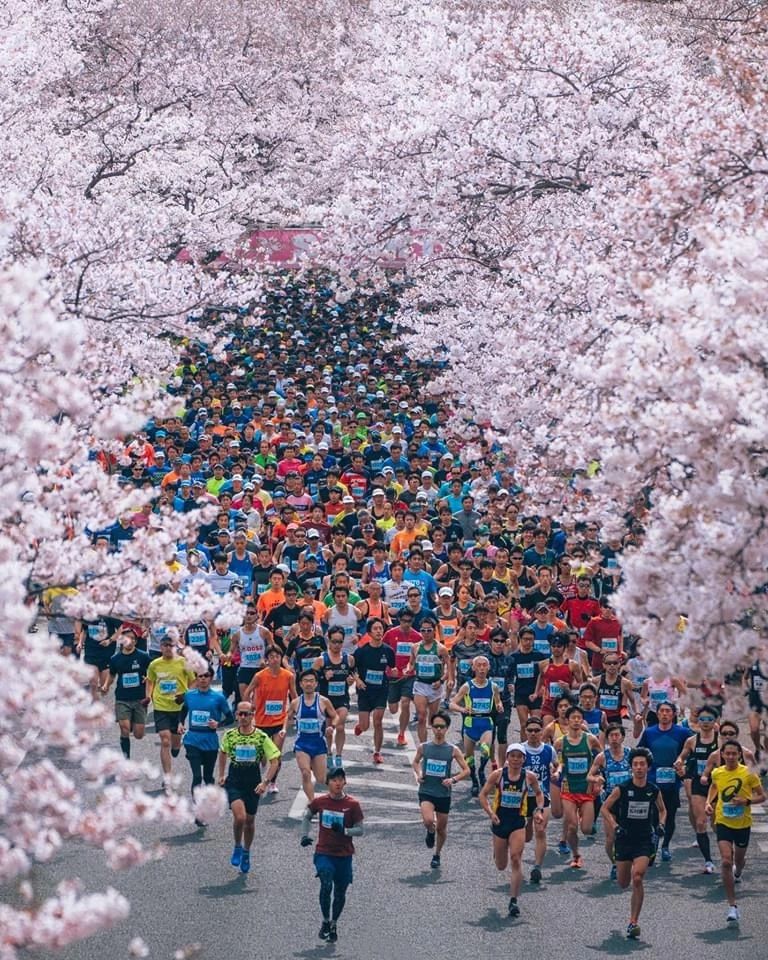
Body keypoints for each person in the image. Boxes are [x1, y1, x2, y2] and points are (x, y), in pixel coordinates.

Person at [600, 747, 667, 940]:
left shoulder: (653, 790)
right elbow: (605, 808)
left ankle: (633, 922)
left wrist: (661, 825)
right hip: (624, 838)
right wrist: (614, 825)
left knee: (637, 877)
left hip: (644, 840)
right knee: (623, 883)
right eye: (635, 764)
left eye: (642, 764)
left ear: (647, 767)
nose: (639, 768)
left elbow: (662, 810)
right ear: (631, 767)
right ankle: (621, 868)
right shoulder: (622, 788)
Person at [479, 743, 545, 918]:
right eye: (512, 756)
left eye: (519, 756)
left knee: (516, 858)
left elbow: (539, 794)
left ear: (524, 759)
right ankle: (498, 849)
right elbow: (483, 795)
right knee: (501, 865)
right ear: (507, 757)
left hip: (517, 822)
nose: (516, 759)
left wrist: (538, 811)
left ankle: (513, 900)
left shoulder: (529, 777)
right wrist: (490, 813)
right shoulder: (498, 775)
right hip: (500, 821)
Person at [300, 767, 365, 943]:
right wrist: (305, 835)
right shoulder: (321, 802)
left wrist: (344, 830)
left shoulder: (352, 805)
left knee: (340, 893)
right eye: (334, 780)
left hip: (344, 855)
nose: (337, 783)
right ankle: (325, 920)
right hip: (324, 852)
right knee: (326, 882)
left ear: (345, 782)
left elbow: (360, 830)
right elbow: (306, 816)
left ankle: (334, 922)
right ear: (327, 783)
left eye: (340, 779)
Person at [706, 739, 766, 925]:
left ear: (740, 755)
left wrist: (746, 802)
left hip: (742, 824)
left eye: (734, 753)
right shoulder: (717, 772)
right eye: (727, 753)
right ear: (722, 755)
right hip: (723, 821)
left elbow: (762, 796)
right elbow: (714, 786)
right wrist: (709, 802)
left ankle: (738, 871)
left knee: (738, 861)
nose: (731, 756)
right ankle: (732, 906)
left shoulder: (748, 773)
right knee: (725, 861)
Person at [218, 702, 281, 874]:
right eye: (240, 714)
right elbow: (223, 753)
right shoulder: (230, 735)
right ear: (236, 715)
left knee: (250, 821)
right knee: (240, 818)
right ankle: (237, 846)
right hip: (235, 778)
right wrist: (221, 774)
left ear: (253, 715)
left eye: (247, 714)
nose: (243, 718)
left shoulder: (261, 737)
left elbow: (275, 760)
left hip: (253, 779)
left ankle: (246, 851)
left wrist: (265, 782)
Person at [411, 710, 470, 869]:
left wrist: (453, 779)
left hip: (443, 793)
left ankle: (437, 854)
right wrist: (419, 773)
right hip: (427, 791)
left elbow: (466, 770)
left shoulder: (452, 750)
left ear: (447, 728)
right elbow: (415, 762)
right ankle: (430, 831)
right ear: (431, 727)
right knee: (429, 820)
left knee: (442, 829)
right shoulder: (424, 747)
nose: (438, 730)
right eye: (435, 726)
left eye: (442, 727)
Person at [179, 666, 234, 823]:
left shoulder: (218, 698)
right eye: (200, 676)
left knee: (208, 777)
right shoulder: (189, 695)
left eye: (206, 676)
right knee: (197, 776)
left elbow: (230, 718)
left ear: (211, 678)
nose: (202, 679)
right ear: (196, 678)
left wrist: (219, 724)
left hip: (210, 741)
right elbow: (183, 710)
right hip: (192, 740)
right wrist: (180, 723)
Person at [637, 701, 690, 861]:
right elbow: (641, 752)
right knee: (653, 814)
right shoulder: (650, 732)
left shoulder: (683, 733)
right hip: (653, 780)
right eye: (662, 711)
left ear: (673, 714)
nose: (665, 714)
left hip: (672, 781)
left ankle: (665, 845)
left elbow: (690, 752)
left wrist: (683, 766)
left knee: (670, 814)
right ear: (657, 714)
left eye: (668, 711)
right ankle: (653, 843)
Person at [146, 637, 196, 792]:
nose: (168, 648)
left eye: (171, 645)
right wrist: (149, 696)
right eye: (165, 645)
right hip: (161, 705)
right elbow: (149, 681)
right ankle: (167, 778)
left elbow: (193, 681)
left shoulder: (183, 662)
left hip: (179, 707)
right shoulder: (155, 664)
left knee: (174, 744)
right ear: (161, 647)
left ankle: (177, 746)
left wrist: (186, 695)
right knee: (165, 741)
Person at [554, 705, 601, 869]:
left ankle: (583, 815)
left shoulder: (590, 739)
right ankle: (576, 855)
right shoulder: (560, 743)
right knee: (572, 827)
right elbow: (557, 762)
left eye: (578, 718)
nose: (575, 721)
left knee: (587, 829)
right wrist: (557, 771)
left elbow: (601, 759)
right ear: (567, 721)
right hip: (569, 788)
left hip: (586, 788)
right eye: (572, 718)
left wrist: (597, 777)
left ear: (582, 721)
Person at [245, 645, 297, 793]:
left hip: (280, 721)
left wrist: (295, 712)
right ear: (266, 660)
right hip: (261, 720)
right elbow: (247, 692)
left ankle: (272, 782)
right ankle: (262, 767)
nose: (274, 659)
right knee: (262, 754)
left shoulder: (288, 676)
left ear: (281, 658)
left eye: (277, 656)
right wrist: (248, 709)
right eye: (271, 657)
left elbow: (293, 696)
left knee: (275, 753)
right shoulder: (259, 676)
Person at [673, 706, 719, 874]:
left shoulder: (720, 741)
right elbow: (682, 756)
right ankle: (708, 861)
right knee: (701, 822)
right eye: (702, 720)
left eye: (709, 720)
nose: (705, 723)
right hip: (699, 784)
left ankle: (728, 855)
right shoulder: (692, 740)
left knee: (716, 824)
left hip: (718, 785)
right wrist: (679, 762)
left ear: (715, 722)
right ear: (698, 722)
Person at [450, 655, 503, 797]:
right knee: (469, 756)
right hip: (471, 723)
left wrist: (499, 706)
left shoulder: (493, 686)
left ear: (488, 667)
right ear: (473, 668)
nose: (481, 668)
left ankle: (481, 771)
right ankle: (474, 780)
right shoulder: (467, 686)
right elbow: (451, 704)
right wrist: (462, 710)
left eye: (484, 665)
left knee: (486, 749)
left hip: (486, 722)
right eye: (478, 665)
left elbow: (498, 701)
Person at [588, 723, 632, 878]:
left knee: (628, 835)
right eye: (611, 736)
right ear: (607, 738)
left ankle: (626, 862)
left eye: (617, 735)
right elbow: (589, 775)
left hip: (628, 801)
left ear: (622, 737)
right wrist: (597, 778)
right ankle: (614, 863)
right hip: (609, 802)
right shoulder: (602, 757)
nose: (614, 738)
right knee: (610, 838)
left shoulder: (630, 754)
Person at [288, 670, 339, 801]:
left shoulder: (324, 701)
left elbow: (335, 716)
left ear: (316, 684)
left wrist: (331, 726)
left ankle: (332, 797)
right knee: (305, 773)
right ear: (300, 684)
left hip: (318, 744)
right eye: (305, 681)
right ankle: (312, 803)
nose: (308, 684)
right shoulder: (295, 702)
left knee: (321, 779)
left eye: (311, 681)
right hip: (302, 744)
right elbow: (286, 718)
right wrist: (282, 730)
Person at [101, 626, 150, 759]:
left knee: (139, 734)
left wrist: (148, 679)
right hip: (122, 698)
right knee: (124, 728)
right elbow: (111, 675)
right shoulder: (115, 659)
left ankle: (134, 722)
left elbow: (152, 673)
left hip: (139, 698)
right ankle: (126, 756)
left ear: (135, 641)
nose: (130, 641)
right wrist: (106, 685)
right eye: (127, 638)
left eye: (133, 639)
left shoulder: (143, 657)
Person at [352, 617, 395, 764]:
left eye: (380, 628)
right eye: (375, 629)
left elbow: (392, 667)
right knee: (365, 726)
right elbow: (352, 669)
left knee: (378, 721)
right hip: (365, 691)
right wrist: (357, 680)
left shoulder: (388, 651)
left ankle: (377, 752)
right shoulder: (361, 651)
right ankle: (360, 726)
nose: (378, 631)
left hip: (381, 690)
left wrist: (394, 672)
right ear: (369, 632)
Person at [313, 626, 356, 768]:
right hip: (326, 701)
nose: (337, 645)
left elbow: (353, 674)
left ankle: (338, 755)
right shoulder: (321, 660)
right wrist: (323, 676)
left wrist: (351, 680)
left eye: (340, 642)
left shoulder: (348, 659)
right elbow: (310, 679)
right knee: (328, 730)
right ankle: (329, 754)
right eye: (334, 642)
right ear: (328, 641)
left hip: (342, 699)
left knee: (340, 726)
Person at [522, 716, 558, 883]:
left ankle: (537, 867)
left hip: (542, 797)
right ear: (525, 732)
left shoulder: (549, 750)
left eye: (537, 730)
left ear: (542, 732)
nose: (534, 733)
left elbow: (558, 764)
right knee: (527, 836)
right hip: (523, 798)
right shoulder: (519, 751)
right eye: (530, 730)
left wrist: (555, 771)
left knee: (541, 831)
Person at [408, 617, 449, 744]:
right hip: (420, 684)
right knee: (421, 717)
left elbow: (450, 670)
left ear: (434, 631)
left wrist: (441, 681)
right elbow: (411, 664)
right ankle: (423, 746)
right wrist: (408, 670)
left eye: (429, 630)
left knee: (433, 719)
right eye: (423, 630)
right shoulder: (415, 647)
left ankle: (434, 742)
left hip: (435, 686)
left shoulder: (441, 649)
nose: (426, 633)